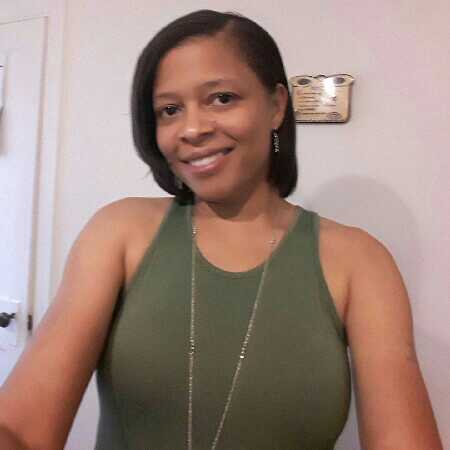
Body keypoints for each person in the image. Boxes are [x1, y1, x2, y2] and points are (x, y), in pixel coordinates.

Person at [0, 9, 443, 450]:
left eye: (222, 98)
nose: (192, 129)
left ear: (276, 105)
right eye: (170, 110)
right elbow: (21, 430)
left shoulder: (360, 262)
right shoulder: (119, 233)